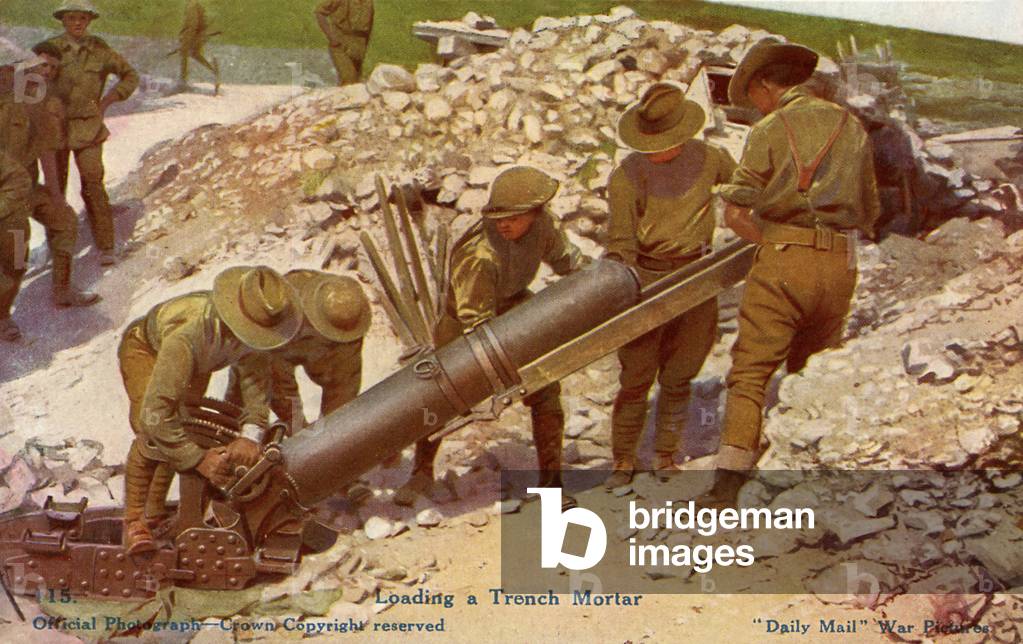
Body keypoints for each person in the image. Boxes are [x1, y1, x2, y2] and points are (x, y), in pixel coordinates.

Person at [695, 38, 881, 505]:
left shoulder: (769, 129)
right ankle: (805, 480)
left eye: (753, 96)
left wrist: (776, 241)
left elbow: (736, 214)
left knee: (751, 373)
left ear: (763, 86)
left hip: (783, 262)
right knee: (812, 368)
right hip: (841, 265)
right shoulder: (852, 126)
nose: (755, 105)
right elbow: (871, 209)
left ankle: (726, 487)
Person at [396, 166, 584, 506]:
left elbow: (569, 262)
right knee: (441, 396)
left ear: (534, 213)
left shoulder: (544, 226)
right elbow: (476, 325)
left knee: (545, 389)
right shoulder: (477, 254)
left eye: (513, 218)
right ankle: (421, 471)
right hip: (466, 325)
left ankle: (552, 483)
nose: (504, 225)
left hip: (513, 307)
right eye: (498, 218)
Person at [604, 83, 736, 488]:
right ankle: (623, 461)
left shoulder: (711, 159)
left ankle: (665, 454)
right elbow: (621, 242)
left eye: (663, 142)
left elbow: (746, 187)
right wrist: (627, 293)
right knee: (635, 379)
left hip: (697, 279)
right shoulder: (627, 175)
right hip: (647, 280)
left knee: (680, 377)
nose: (656, 150)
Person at [117, 266, 302, 553]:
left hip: (196, 362)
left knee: (184, 428)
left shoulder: (256, 334)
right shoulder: (188, 335)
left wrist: (250, 437)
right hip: (147, 350)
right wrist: (199, 460)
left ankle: (154, 515)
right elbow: (155, 415)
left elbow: (256, 389)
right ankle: (134, 522)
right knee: (153, 434)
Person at [42, 0, 139, 266]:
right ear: (63, 20)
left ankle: (106, 246)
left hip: (88, 128)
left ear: (89, 21)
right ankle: (55, 250)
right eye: (72, 17)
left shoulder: (100, 50)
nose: (77, 23)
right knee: (55, 189)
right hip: (55, 129)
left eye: (82, 18)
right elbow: (28, 82)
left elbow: (130, 75)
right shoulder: (49, 49)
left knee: (93, 184)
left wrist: (108, 101)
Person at [224, 269, 370, 431]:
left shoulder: (348, 315)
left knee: (335, 425)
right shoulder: (282, 305)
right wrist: (299, 429)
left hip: (316, 347)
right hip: (270, 350)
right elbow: (276, 383)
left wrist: (328, 437)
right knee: (244, 396)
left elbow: (343, 387)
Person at [28, 42, 101, 307]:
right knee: (12, 248)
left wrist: (56, 196)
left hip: (22, 188)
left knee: (65, 220)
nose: (47, 71)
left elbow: (47, 151)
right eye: (42, 64)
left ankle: (62, 290)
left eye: (52, 68)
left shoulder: (45, 102)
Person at [0, 54, 33, 342]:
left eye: (8, 70)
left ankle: (3, 314)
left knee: (18, 261)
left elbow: (47, 147)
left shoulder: (26, 107)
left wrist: (57, 194)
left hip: (17, 205)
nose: (4, 75)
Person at [314, 0, 374, 86]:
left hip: (359, 45)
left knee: (356, 83)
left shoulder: (368, 2)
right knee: (349, 80)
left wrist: (363, 48)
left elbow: (369, 27)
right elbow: (319, 12)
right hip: (341, 43)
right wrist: (332, 38)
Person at [177, 0, 220, 94]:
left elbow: (192, 24)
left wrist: (186, 38)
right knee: (194, 53)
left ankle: (182, 81)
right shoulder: (195, 4)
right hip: (199, 34)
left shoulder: (192, 5)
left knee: (185, 53)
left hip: (194, 34)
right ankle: (213, 70)